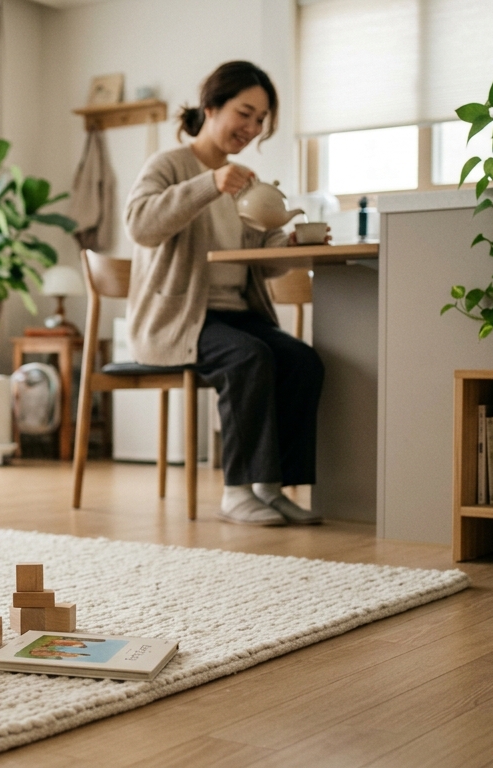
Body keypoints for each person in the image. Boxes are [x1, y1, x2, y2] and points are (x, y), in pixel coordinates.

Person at [123, 61, 324, 527]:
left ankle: (272, 488)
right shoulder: (170, 165)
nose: (251, 128)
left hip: (236, 315)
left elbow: (260, 259)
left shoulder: (244, 181)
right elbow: (140, 225)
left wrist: (293, 245)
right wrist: (209, 183)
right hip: (182, 319)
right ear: (211, 107)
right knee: (248, 358)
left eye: (260, 120)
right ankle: (237, 491)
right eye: (245, 113)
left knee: (302, 361)